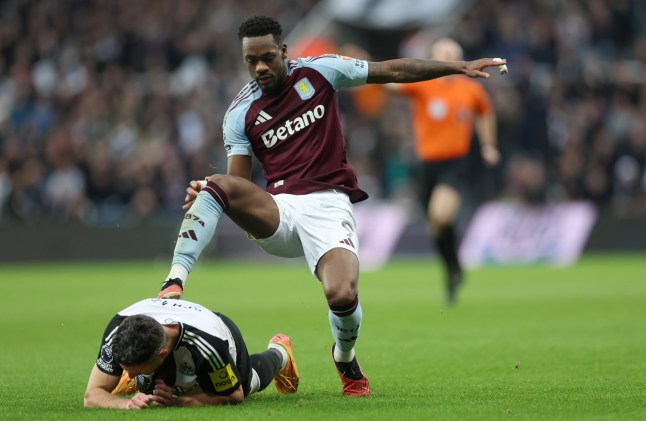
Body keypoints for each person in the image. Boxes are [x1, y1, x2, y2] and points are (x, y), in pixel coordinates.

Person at [156, 16, 505, 397]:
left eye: (268, 57)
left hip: (328, 205)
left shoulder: (321, 71)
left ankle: (345, 356)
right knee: (216, 183)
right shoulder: (240, 113)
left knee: (341, 294)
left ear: (284, 52)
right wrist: (213, 194)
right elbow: (238, 184)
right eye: (251, 60)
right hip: (280, 210)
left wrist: (458, 68)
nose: (260, 67)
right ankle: (174, 281)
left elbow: (392, 69)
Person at [388, 37, 501, 304]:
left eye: (453, 54)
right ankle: (452, 267)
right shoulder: (424, 85)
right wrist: (363, 73)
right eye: (443, 55)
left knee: (440, 214)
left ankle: (453, 267)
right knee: (436, 225)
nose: (449, 58)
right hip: (426, 166)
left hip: (456, 163)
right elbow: (391, 86)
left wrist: (488, 145)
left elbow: (485, 113)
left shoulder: (470, 90)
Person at [84, 298, 298, 409]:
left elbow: (234, 396)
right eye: (125, 369)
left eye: (131, 371)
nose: (126, 376)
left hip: (218, 336)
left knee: (247, 383)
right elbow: (92, 396)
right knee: (150, 386)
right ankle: (145, 377)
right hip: (168, 346)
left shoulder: (208, 346)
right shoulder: (119, 329)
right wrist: (125, 404)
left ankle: (280, 352)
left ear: (162, 353)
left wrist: (178, 401)